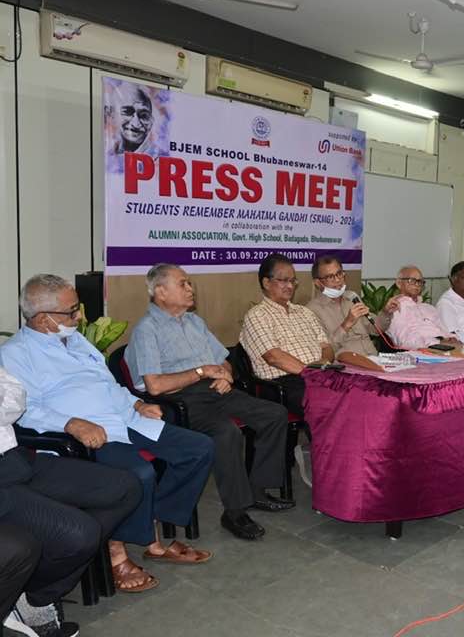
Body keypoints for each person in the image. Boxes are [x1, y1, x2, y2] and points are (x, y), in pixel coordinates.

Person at [2, 275, 215, 593]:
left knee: (199, 448)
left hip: (125, 417)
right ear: (44, 319)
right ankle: (130, 547)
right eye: (71, 311)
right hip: (85, 434)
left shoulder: (76, 339)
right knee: (139, 472)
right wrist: (72, 423)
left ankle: (150, 524)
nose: (78, 317)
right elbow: (25, 411)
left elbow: (108, 384)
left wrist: (138, 402)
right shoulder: (16, 354)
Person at [125, 264, 293, 542]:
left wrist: (226, 374)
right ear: (160, 292)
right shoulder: (147, 330)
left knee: (274, 413)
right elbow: (154, 385)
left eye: (189, 283)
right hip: (176, 399)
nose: (191, 289)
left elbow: (223, 360)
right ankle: (235, 511)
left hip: (214, 389)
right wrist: (201, 372)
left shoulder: (194, 322)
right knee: (226, 432)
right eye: (183, 284)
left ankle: (258, 490)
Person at [0, 365, 142, 637]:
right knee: (80, 533)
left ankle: (34, 591)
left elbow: (17, 396)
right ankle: (35, 594)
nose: (77, 319)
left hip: (14, 456)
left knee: (125, 487)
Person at [240, 254, 334, 417]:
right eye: (284, 280)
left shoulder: (305, 312)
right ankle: (327, 443)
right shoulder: (257, 315)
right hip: (283, 383)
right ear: (266, 282)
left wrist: (323, 363)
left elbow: (326, 346)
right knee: (327, 405)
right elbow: (273, 357)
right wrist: (310, 373)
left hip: (318, 374)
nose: (290, 286)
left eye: (293, 280)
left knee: (353, 394)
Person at [306, 256, 379, 357]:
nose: (337, 280)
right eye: (330, 277)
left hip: (373, 358)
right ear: (318, 283)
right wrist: (347, 324)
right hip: (346, 366)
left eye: (339, 274)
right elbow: (324, 350)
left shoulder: (352, 297)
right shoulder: (311, 310)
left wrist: (387, 313)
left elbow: (375, 329)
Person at [380, 266, 458, 350]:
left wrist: (452, 338)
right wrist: (436, 342)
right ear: (399, 283)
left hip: (447, 348)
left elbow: (444, 331)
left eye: (420, 282)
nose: (417, 284)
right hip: (424, 351)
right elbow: (405, 342)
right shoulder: (395, 308)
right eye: (412, 281)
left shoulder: (429, 308)